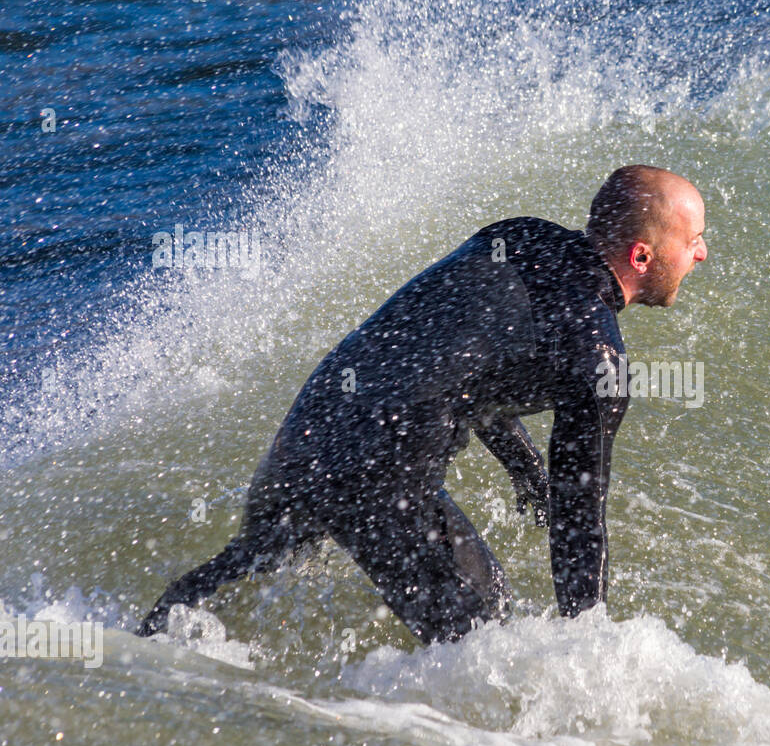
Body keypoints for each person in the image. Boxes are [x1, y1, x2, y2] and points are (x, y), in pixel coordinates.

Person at [137, 165, 707, 643]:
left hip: (312, 424)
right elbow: (581, 527)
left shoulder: (520, 235)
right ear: (641, 256)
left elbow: (463, 357)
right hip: (380, 473)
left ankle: (136, 646)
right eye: (693, 241)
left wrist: (527, 470)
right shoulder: (600, 359)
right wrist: (591, 650)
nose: (701, 254)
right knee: (488, 635)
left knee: (245, 570)